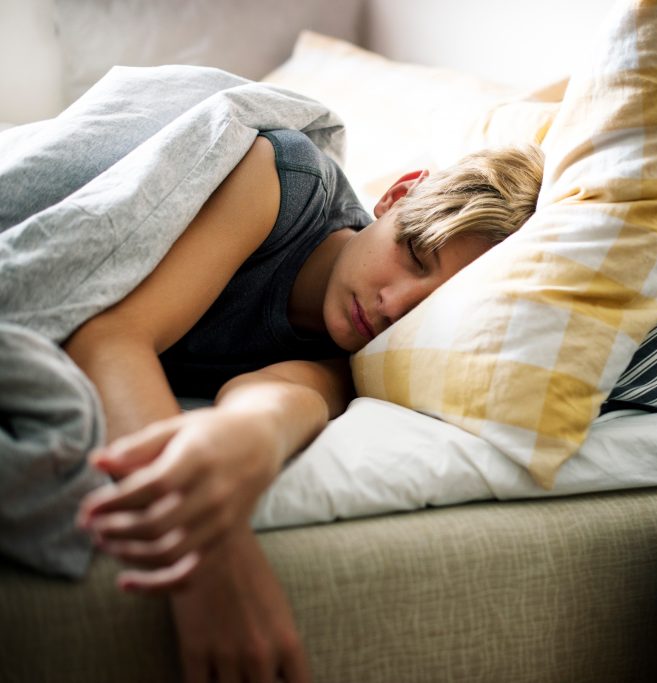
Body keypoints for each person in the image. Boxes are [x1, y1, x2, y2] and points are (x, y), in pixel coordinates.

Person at [65, 129, 545, 683]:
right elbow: (107, 335)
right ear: (399, 195)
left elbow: (282, 395)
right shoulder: (277, 183)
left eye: (432, 308)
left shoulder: (364, 358)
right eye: (414, 255)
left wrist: (249, 437)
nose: (394, 306)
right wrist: (210, 555)